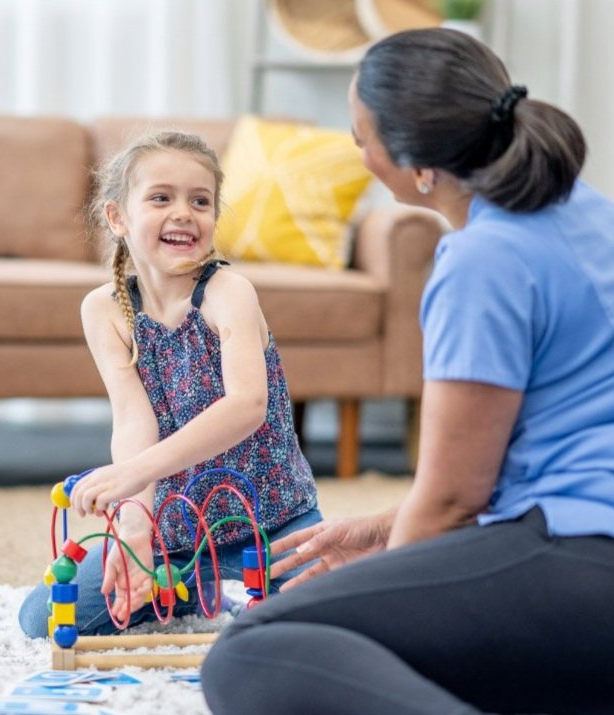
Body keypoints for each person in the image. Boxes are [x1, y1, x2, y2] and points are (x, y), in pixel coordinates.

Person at [201, 27, 614, 715]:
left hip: (583, 562)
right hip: (581, 558)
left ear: (417, 163)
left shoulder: (483, 259)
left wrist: (393, 581)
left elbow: (454, 498)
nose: (359, 156)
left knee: (254, 646)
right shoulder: (591, 211)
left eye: (361, 137)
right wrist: (385, 531)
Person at [18, 130, 321, 637]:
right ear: (118, 217)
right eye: (161, 197)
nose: (183, 212)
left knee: (324, 620)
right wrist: (135, 533)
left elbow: (247, 405)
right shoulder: (104, 310)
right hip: (174, 532)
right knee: (41, 619)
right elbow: (134, 420)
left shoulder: (229, 292)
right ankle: (192, 594)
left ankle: (217, 595)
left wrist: (133, 473)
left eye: (200, 201)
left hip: (273, 522)